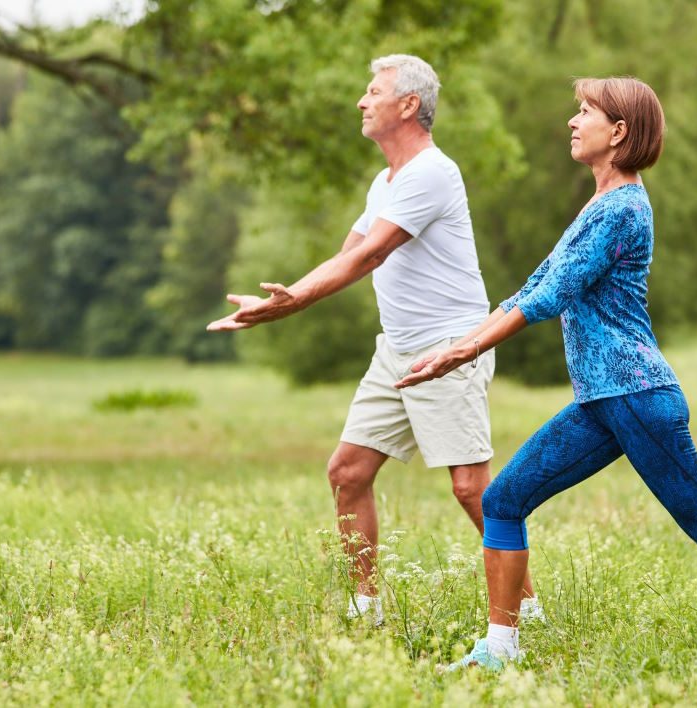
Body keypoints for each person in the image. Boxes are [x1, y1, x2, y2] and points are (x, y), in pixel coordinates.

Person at [395, 76, 697, 667]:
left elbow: (551, 297)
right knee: (504, 500)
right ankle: (500, 647)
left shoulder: (622, 209)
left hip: (638, 395)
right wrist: (461, 342)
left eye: (585, 111)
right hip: (603, 401)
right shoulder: (599, 204)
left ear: (618, 132)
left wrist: (460, 354)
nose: (573, 121)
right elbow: (535, 283)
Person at [208, 54, 541, 624]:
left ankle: (526, 609)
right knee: (348, 472)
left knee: (469, 488)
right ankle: (366, 609)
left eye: (373, 92)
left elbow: (371, 254)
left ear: (408, 105)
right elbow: (347, 252)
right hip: (397, 348)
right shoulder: (383, 181)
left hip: (448, 348)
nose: (362, 102)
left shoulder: (434, 172)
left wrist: (293, 305)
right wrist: (278, 300)